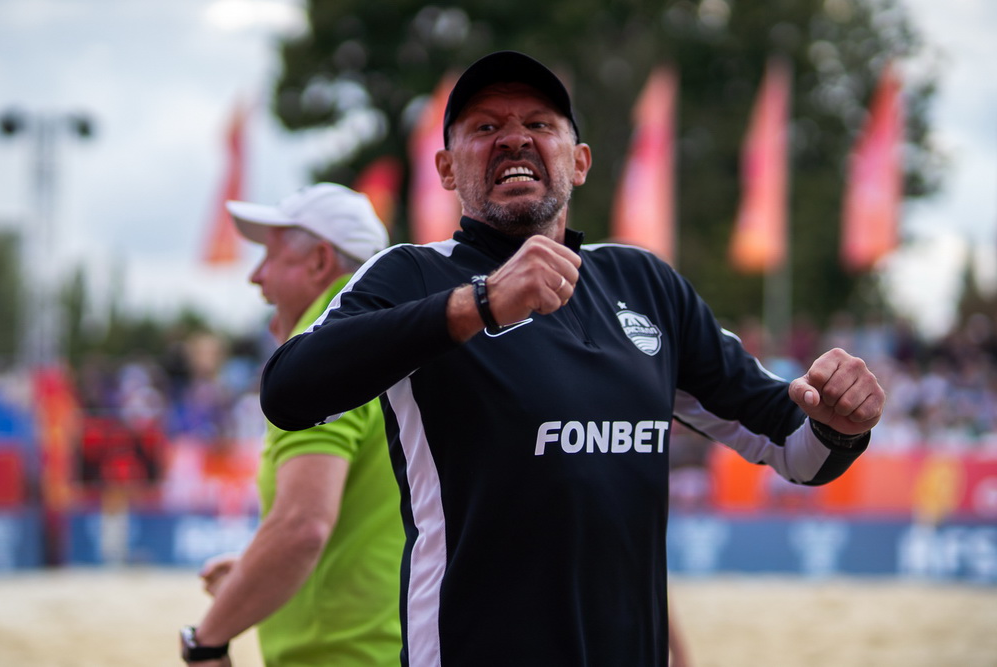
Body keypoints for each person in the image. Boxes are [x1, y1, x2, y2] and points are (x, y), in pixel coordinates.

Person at [258, 52, 885, 666]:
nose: (514, 139)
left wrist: (840, 422)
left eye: (539, 123)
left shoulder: (646, 285)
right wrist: (479, 303)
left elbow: (795, 448)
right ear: (446, 169)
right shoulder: (412, 274)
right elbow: (288, 391)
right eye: (485, 126)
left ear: (579, 161)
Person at [179, 183, 404, 666]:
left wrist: (207, 640)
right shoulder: (391, 337)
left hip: (346, 655)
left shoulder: (320, 355)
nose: (256, 275)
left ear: (320, 262)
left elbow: (302, 527)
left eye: (271, 256)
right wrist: (257, 572)